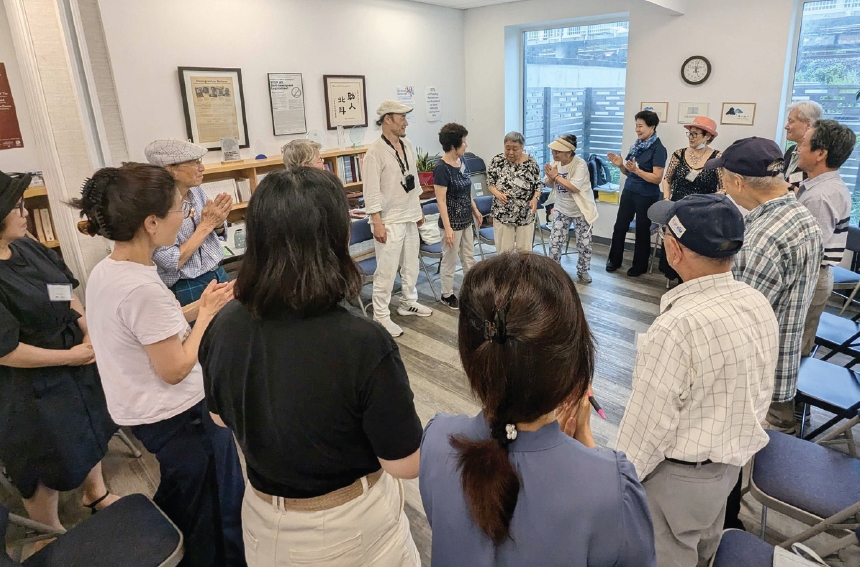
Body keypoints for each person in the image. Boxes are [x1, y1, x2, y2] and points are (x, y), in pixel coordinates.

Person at [199, 168, 423, 567]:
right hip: (347, 527)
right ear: (334, 237)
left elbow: (218, 418)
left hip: (263, 519)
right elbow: (404, 462)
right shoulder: (362, 341)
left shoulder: (223, 324)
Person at [420, 252, 656, 567]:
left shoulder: (436, 439)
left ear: (469, 354)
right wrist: (585, 440)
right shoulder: (609, 485)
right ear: (571, 359)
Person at [72, 163, 246, 567]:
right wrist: (204, 320)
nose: (183, 219)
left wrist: (201, 306)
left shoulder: (108, 271)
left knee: (186, 496)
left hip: (146, 415)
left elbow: (152, 332)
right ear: (151, 222)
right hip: (182, 417)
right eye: (177, 212)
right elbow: (175, 368)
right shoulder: (141, 287)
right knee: (218, 510)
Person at [616, 194, 779, 567]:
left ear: (674, 249)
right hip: (729, 467)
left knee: (666, 555)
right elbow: (760, 389)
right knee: (707, 543)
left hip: (678, 480)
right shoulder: (755, 301)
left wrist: (618, 482)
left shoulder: (676, 327)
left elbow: (646, 430)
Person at [0, 170, 118, 536]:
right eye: (16, 206)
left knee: (92, 422)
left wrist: (86, 328)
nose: (25, 211)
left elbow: (63, 288)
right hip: (28, 380)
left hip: (75, 351)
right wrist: (72, 356)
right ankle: (47, 528)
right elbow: (7, 352)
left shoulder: (27, 244)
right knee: (44, 452)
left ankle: (94, 493)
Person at [704, 138, 822, 434]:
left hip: (759, 375)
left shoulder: (762, 241)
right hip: (784, 355)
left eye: (725, 180)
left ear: (739, 182)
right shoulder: (801, 217)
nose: (725, 188)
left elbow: (738, 327)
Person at [363, 100, 433, 337]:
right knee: (387, 269)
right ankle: (381, 315)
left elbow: (412, 178)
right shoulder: (374, 152)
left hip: (410, 213)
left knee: (411, 264)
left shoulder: (408, 144)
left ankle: (407, 302)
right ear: (387, 119)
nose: (406, 122)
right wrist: (377, 222)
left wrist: (419, 209)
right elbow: (371, 191)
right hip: (389, 219)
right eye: (401, 117)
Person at [146, 139, 233, 306]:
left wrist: (218, 223)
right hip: (188, 284)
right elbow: (172, 261)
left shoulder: (196, 191)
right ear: (171, 170)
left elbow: (215, 231)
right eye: (194, 163)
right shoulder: (157, 207)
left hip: (217, 273)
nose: (202, 168)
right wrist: (206, 225)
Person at [796, 120, 856, 356]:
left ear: (820, 153)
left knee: (796, 348)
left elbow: (808, 251)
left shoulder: (820, 197)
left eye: (803, 143)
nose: (799, 148)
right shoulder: (820, 186)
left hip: (809, 278)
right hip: (813, 277)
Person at [658, 116, 722, 283]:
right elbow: (667, 179)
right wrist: (666, 199)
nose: (691, 137)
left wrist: (711, 199)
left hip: (702, 212)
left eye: (695, 134)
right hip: (677, 209)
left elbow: (724, 187)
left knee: (693, 250)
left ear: (707, 136)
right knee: (675, 245)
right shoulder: (678, 154)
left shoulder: (716, 158)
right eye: (689, 133)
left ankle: (690, 281)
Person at [606, 110, 667, 277]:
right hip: (629, 190)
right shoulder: (637, 146)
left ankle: (639, 265)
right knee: (620, 226)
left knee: (642, 230)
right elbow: (629, 172)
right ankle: (614, 260)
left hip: (647, 195)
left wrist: (637, 171)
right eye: (636, 126)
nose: (637, 129)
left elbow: (656, 178)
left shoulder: (658, 149)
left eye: (640, 126)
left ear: (652, 127)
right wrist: (620, 166)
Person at [434, 122, 483, 309]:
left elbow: (466, 190)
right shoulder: (441, 168)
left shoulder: (463, 162)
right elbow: (441, 200)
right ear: (454, 145)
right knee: (450, 260)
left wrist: (475, 210)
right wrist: (447, 228)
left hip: (466, 220)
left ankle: (470, 291)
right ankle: (446, 294)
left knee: (469, 257)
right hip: (451, 222)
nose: (466, 145)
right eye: (464, 141)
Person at [542, 134, 597, 283]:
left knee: (584, 243)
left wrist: (556, 176)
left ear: (568, 152)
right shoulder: (556, 163)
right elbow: (549, 184)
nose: (554, 154)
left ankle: (583, 270)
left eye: (557, 151)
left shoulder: (580, 164)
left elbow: (574, 188)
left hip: (581, 210)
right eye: (553, 151)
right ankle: (555, 272)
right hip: (561, 208)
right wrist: (549, 177)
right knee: (554, 242)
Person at [487, 132, 542, 253]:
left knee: (525, 251)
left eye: (515, 149)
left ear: (522, 148)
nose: (510, 152)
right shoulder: (497, 161)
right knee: (504, 251)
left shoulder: (531, 163)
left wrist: (535, 199)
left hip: (525, 212)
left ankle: (523, 272)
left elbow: (538, 185)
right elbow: (490, 184)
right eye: (507, 148)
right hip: (503, 212)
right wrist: (498, 194)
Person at [783, 101, 824, 190]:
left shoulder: (818, 156)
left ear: (808, 125)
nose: (786, 126)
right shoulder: (791, 150)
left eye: (791, 121)